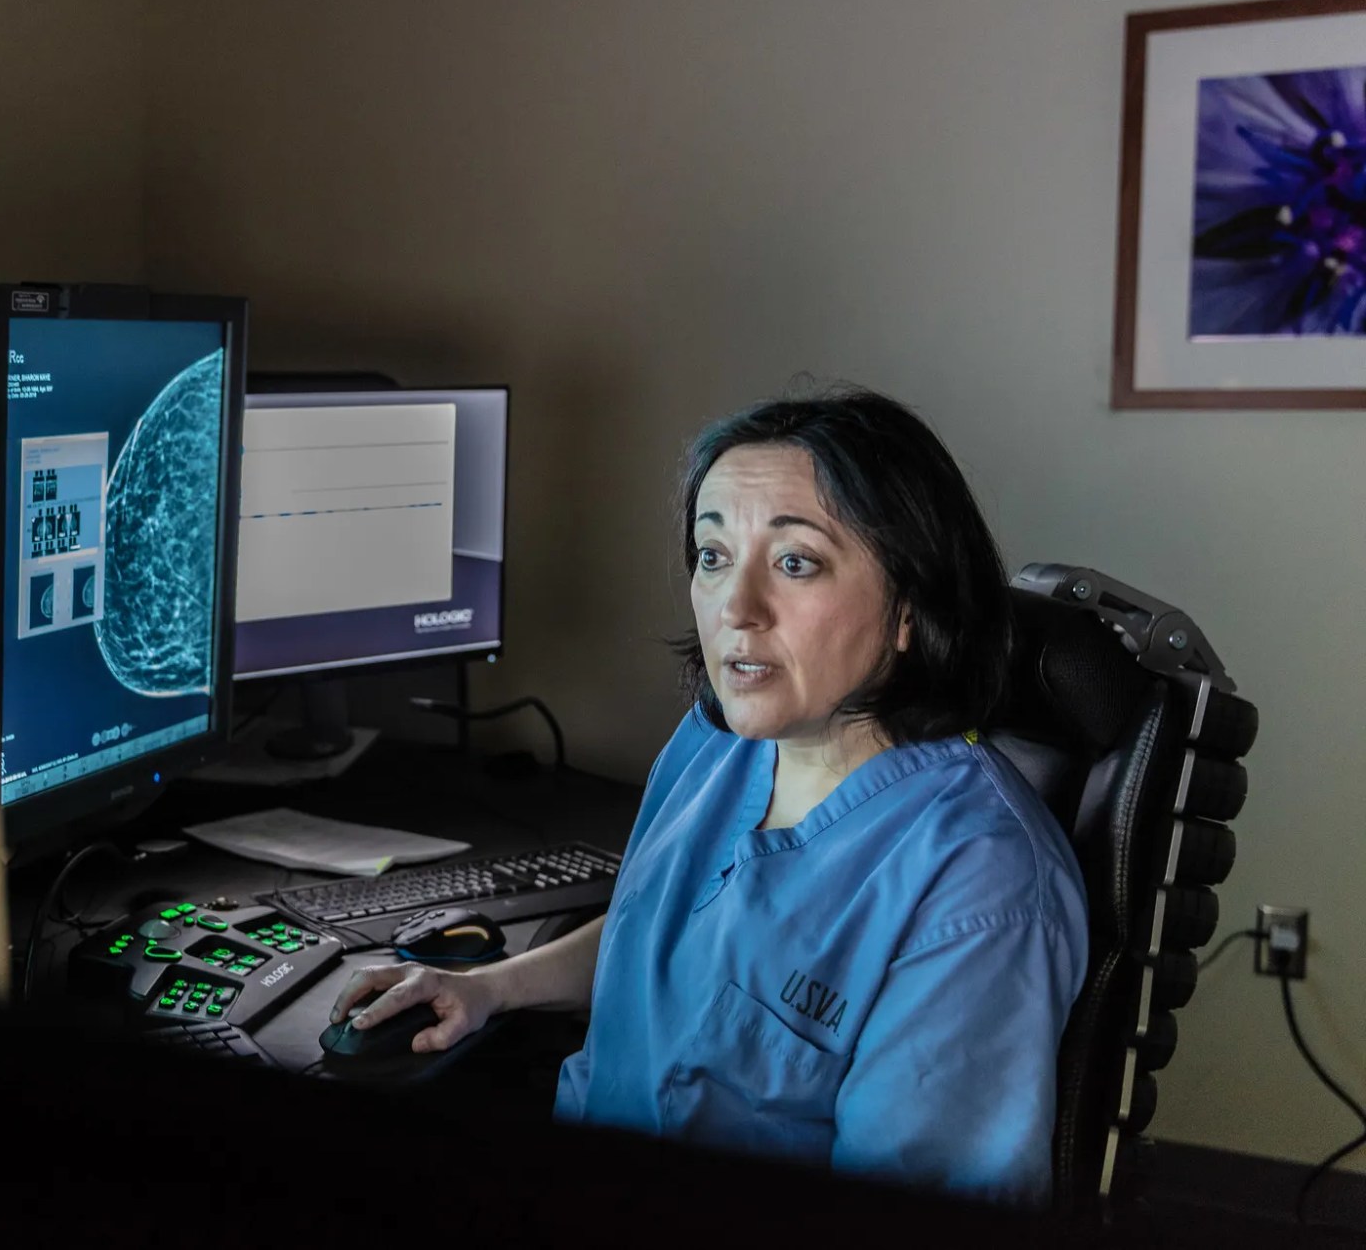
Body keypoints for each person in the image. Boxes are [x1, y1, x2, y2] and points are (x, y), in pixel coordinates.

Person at [327, 383, 1089, 1208]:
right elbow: (663, 937)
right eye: (714, 555)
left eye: (795, 562)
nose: (737, 607)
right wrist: (490, 985)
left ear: (909, 606)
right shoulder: (716, 742)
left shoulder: (982, 886)